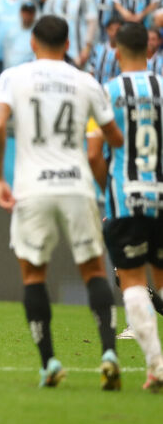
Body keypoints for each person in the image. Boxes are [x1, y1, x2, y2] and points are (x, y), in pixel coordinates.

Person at [0, 15, 124, 389]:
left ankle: (49, 362)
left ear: (33, 43)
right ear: (68, 44)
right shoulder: (86, 81)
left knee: (34, 275)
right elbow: (113, 135)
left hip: (32, 189)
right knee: (94, 270)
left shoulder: (13, 77)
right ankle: (109, 353)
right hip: (77, 185)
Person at [86, 22, 163, 391]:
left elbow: (92, 153)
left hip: (125, 197)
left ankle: (157, 367)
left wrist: (110, 190)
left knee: (131, 279)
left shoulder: (106, 92)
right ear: (150, 50)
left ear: (115, 51)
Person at [42, 0, 98, 68]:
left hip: (79, 50)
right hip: (57, 51)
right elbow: (46, 23)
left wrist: (87, 48)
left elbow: (92, 22)